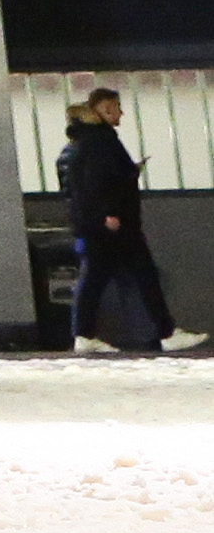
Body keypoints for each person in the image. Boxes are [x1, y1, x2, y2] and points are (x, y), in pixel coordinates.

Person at [59, 88, 197, 354]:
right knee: (139, 276)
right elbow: (98, 181)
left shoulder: (79, 144)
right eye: (117, 107)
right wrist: (108, 214)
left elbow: (83, 183)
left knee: (99, 278)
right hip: (115, 224)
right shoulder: (101, 140)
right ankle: (165, 333)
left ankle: (85, 335)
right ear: (105, 109)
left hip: (99, 224)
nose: (121, 113)